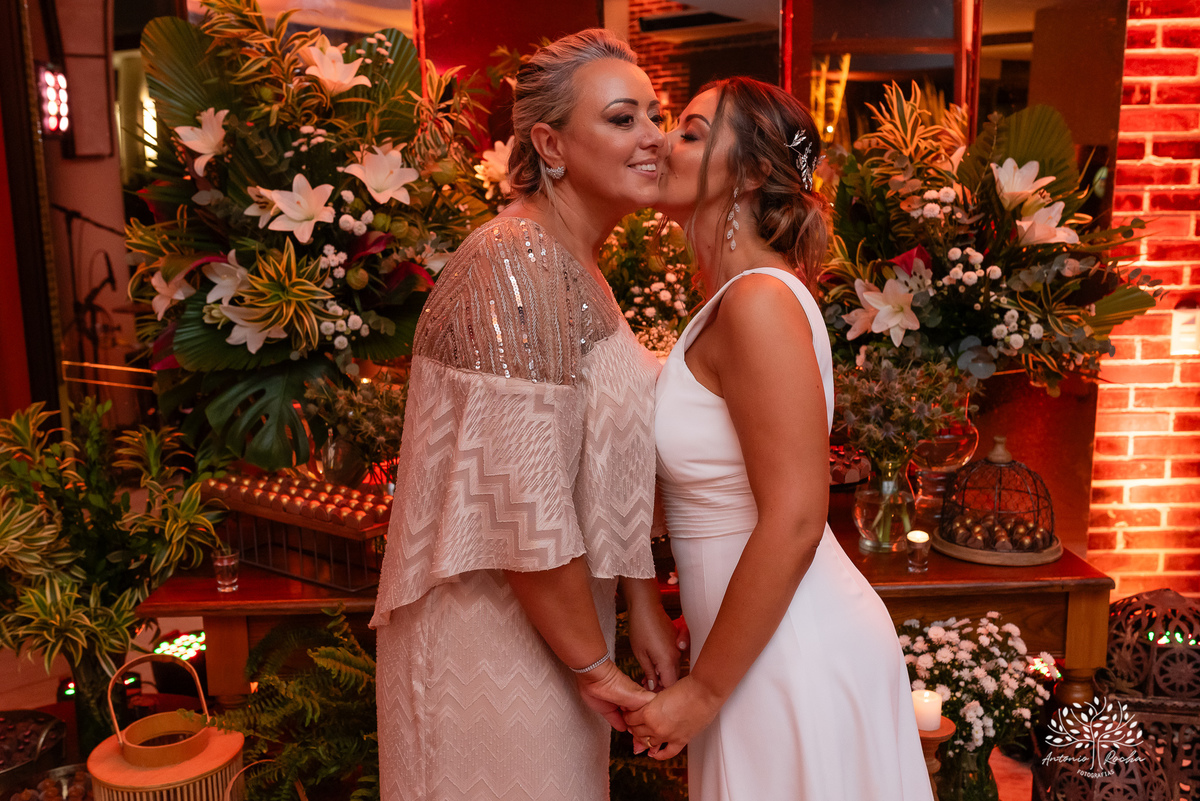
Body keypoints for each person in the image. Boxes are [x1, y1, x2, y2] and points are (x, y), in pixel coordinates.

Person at [370, 29, 682, 801]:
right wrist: (595, 666)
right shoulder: (511, 260)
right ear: (550, 142)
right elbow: (525, 502)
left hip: (560, 633)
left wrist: (640, 602)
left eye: (655, 113)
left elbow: (611, 460)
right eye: (621, 118)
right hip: (491, 647)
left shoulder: (576, 266)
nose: (653, 136)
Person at [626, 77, 933, 801]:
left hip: (792, 652)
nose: (665, 142)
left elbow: (796, 515)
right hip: (753, 645)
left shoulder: (759, 300)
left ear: (756, 171)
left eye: (694, 132)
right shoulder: (734, 300)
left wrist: (703, 691)